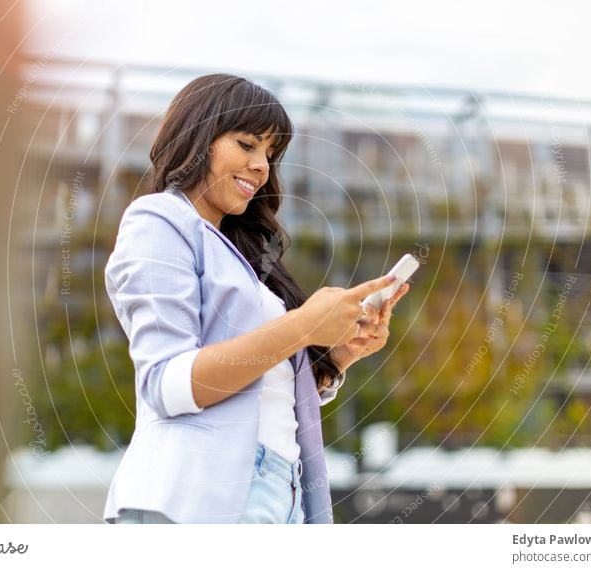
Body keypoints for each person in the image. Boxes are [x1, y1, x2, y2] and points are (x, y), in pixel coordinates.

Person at [103, 73, 409, 524]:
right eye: (247, 145)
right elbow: (168, 384)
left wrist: (337, 355)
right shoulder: (158, 220)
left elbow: (259, 389)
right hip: (203, 495)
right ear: (197, 137)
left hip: (280, 493)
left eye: (270, 153)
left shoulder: (240, 255)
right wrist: (303, 325)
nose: (263, 165)